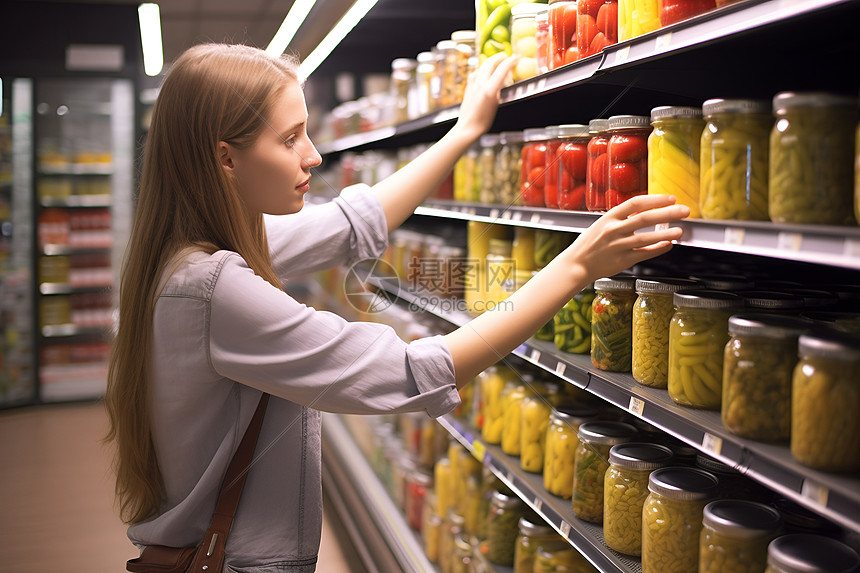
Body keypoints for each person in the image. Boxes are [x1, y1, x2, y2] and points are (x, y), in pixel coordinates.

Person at [105, 43, 689, 572]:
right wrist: (576, 266)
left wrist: (464, 132)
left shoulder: (192, 253)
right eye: (289, 139)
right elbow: (414, 371)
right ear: (226, 159)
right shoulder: (215, 288)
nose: (312, 157)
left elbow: (353, 222)